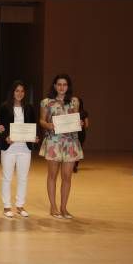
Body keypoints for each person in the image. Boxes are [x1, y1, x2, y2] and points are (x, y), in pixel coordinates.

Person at [39, 74, 83, 219]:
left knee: (67, 177)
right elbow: (42, 121)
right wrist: (48, 125)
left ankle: (64, 208)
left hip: (70, 142)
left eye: (64, 84)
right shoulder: (46, 102)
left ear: (68, 86)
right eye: (59, 84)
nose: (62, 87)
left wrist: (79, 123)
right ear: (54, 86)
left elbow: (76, 119)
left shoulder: (74, 101)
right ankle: (53, 206)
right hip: (54, 142)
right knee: (52, 175)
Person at [0, 80, 39, 218]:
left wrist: (35, 137)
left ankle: (20, 206)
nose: (19, 93)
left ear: (24, 93)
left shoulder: (29, 108)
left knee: (23, 178)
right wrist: (5, 137)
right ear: (12, 92)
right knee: (7, 177)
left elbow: (33, 126)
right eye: (17, 91)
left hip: (25, 148)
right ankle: (6, 206)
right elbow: (0, 128)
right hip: (9, 148)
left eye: (22, 91)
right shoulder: (4, 107)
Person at [73, 98, 89, 173]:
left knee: (77, 149)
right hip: (73, 133)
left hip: (80, 133)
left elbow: (87, 125)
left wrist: (81, 125)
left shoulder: (83, 112)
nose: (74, 102)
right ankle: (74, 165)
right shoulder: (70, 111)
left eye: (75, 101)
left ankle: (75, 165)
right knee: (75, 149)